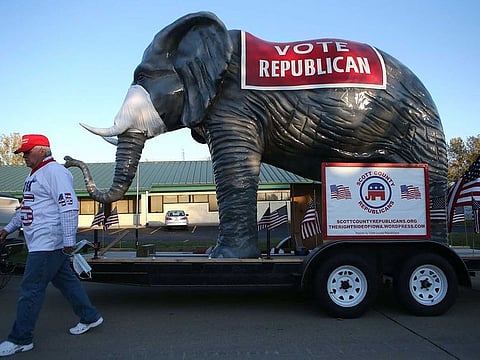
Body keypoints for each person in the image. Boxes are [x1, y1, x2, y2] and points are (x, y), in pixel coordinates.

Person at [0, 134, 103, 357]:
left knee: (30, 290)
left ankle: (21, 339)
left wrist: (68, 241)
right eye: (23, 153)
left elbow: (68, 206)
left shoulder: (55, 172)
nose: (24, 156)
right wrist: (8, 229)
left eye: (27, 152)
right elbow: (27, 207)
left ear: (42, 150)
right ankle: (90, 316)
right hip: (40, 241)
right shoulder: (34, 174)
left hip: (47, 242)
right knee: (66, 281)